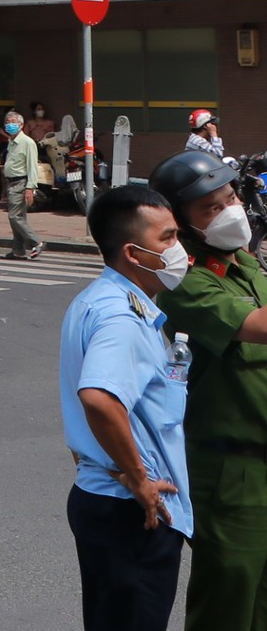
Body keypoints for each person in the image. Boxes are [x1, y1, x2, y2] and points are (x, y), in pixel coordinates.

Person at [59, 185, 193, 631]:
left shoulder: (97, 300)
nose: (179, 250)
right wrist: (137, 478)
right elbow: (97, 398)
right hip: (132, 511)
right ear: (134, 253)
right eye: (168, 239)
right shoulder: (122, 316)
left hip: (104, 497)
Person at [148, 148, 267, 631]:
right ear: (183, 223)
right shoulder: (186, 281)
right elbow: (258, 326)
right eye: (210, 208)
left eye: (231, 197)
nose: (229, 211)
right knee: (228, 601)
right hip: (230, 471)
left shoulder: (244, 264)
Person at [3, 109, 45, 261]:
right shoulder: (11, 142)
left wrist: (30, 188)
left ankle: (36, 242)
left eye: (13, 122)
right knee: (18, 218)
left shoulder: (27, 142)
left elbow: (32, 166)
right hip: (12, 183)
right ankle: (18, 250)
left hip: (21, 183)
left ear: (21, 125)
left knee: (14, 216)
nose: (9, 125)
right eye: (7, 122)